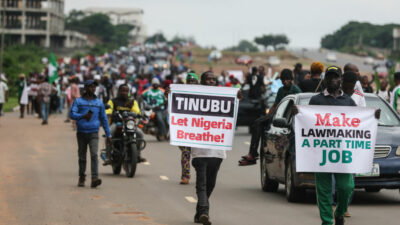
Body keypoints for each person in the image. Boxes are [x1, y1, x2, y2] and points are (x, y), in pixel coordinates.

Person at [304, 66, 380, 225]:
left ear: (341, 80)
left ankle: (339, 213)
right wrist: (299, 114)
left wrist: (373, 117)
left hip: (343, 154)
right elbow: (307, 124)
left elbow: (358, 125)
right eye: (330, 76)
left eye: (336, 77)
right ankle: (327, 221)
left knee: (346, 187)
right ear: (325, 79)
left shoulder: (348, 101)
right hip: (322, 154)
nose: (333, 79)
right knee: (324, 192)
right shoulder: (316, 100)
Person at [192, 71, 241, 225]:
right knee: (202, 184)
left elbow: (232, 115)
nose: (211, 81)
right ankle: (205, 211)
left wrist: (237, 99)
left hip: (217, 151)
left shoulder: (223, 97)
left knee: (210, 184)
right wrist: (170, 96)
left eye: (214, 79)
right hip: (200, 151)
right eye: (208, 79)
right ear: (202, 81)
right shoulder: (194, 97)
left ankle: (199, 213)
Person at [239, 69, 301, 166]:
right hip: (279, 114)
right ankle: (252, 153)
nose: (285, 82)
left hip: (289, 117)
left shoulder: (296, 91)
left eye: (287, 79)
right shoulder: (281, 90)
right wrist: (268, 116)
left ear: (291, 79)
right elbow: (275, 105)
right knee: (257, 123)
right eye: (283, 80)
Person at [69, 80, 111, 188]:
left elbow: (104, 119)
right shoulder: (78, 101)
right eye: (91, 87)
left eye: (94, 87)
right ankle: (82, 177)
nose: (93, 89)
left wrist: (108, 134)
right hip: (81, 133)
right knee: (82, 156)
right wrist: (83, 116)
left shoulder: (99, 103)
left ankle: (94, 178)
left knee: (94, 154)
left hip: (93, 133)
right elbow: (72, 114)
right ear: (85, 88)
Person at [104, 84, 146, 165]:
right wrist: (109, 113)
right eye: (123, 90)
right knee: (109, 134)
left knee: (140, 134)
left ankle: (138, 155)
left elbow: (137, 111)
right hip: (117, 123)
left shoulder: (132, 101)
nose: (124, 92)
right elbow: (108, 110)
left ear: (128, 92)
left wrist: (138, 114)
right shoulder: (113, 101)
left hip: (129, 123)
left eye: (126, 91)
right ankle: (108, 157)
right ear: (119, 91)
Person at [178, 73, 199, 185]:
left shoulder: (204, 94)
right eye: (189, 81)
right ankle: (185, 175)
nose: (191, 83)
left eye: (193, 81)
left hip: (200, 129)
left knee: (201, 156)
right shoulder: (181, 94)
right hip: (186, 129)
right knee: (186, 152)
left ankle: (201, 174)